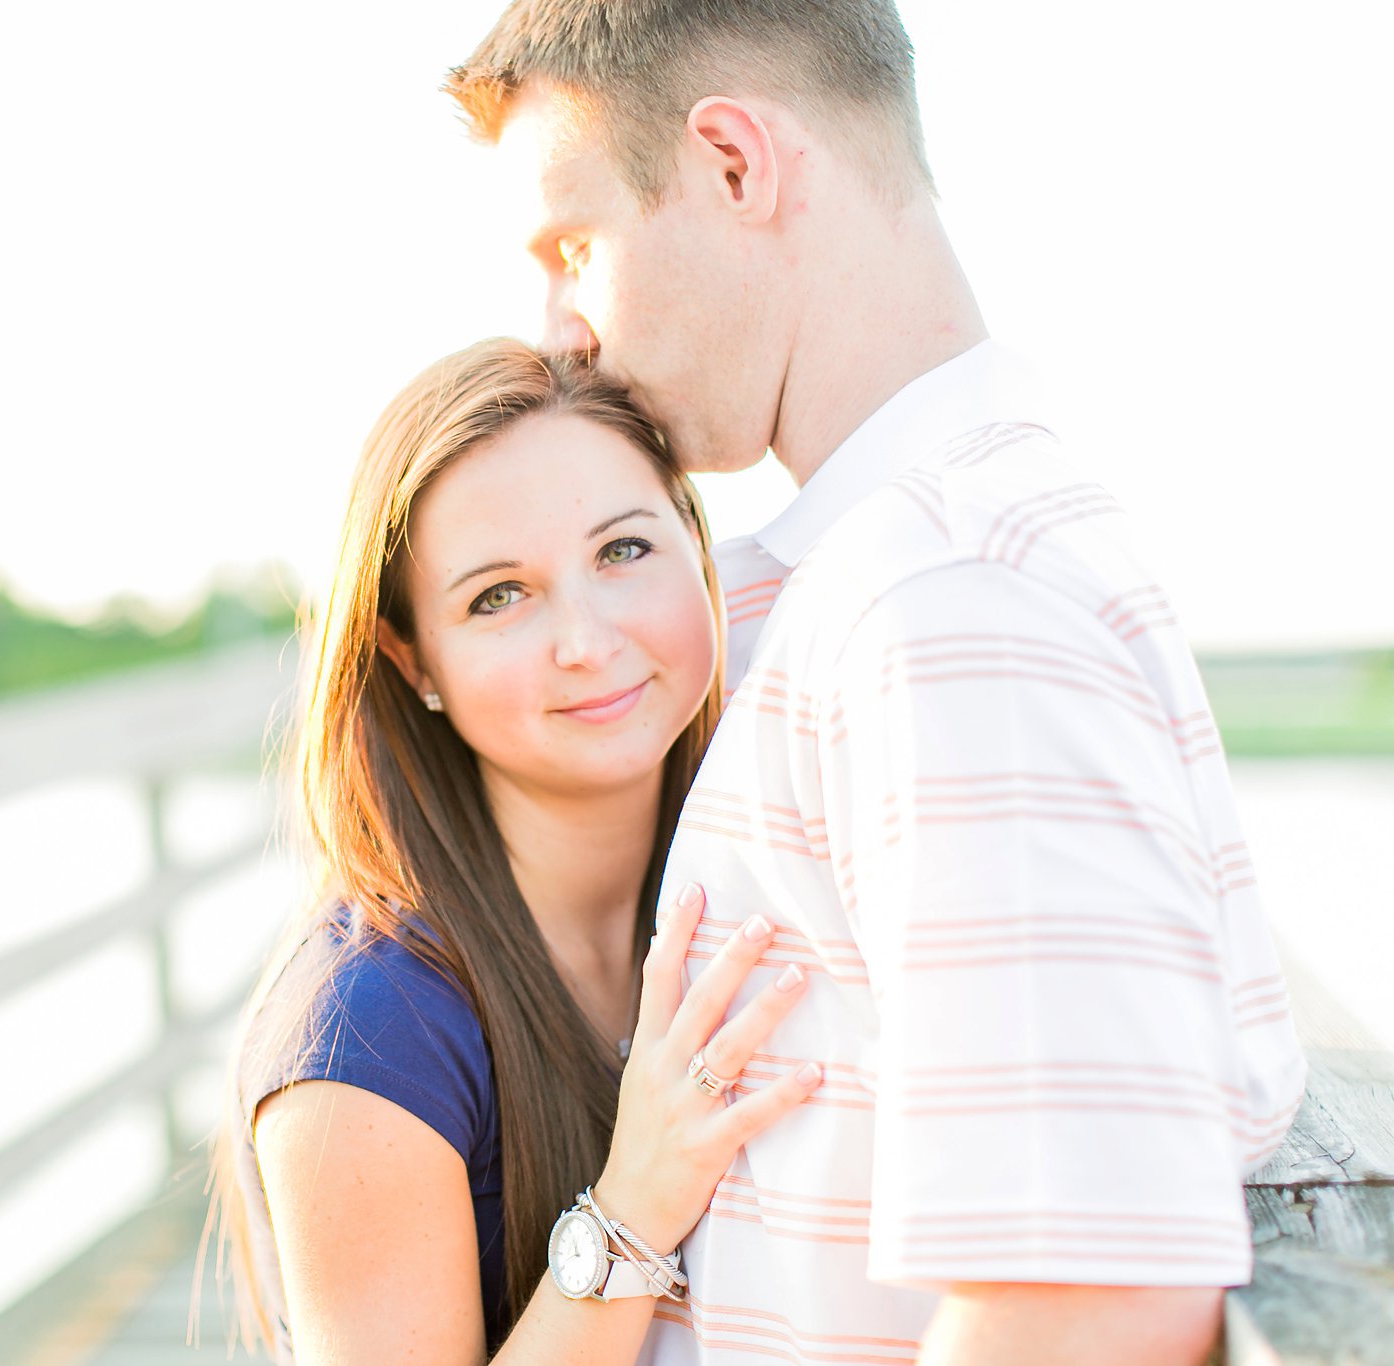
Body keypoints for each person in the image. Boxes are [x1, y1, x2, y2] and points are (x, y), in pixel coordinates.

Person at [441, 2, 1308, 1363]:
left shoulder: (951, 596)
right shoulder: (890, 574)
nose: (558, 329)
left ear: (735, 162)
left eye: (574, 247)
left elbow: (1086, 1296)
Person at [210, 339, 828, 1363]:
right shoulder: (367, 1033)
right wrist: (632, 1203)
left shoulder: (763, 866)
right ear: (415, 662)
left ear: (693, 540)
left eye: (622, 550)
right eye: (498, 596)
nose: (583, 639)